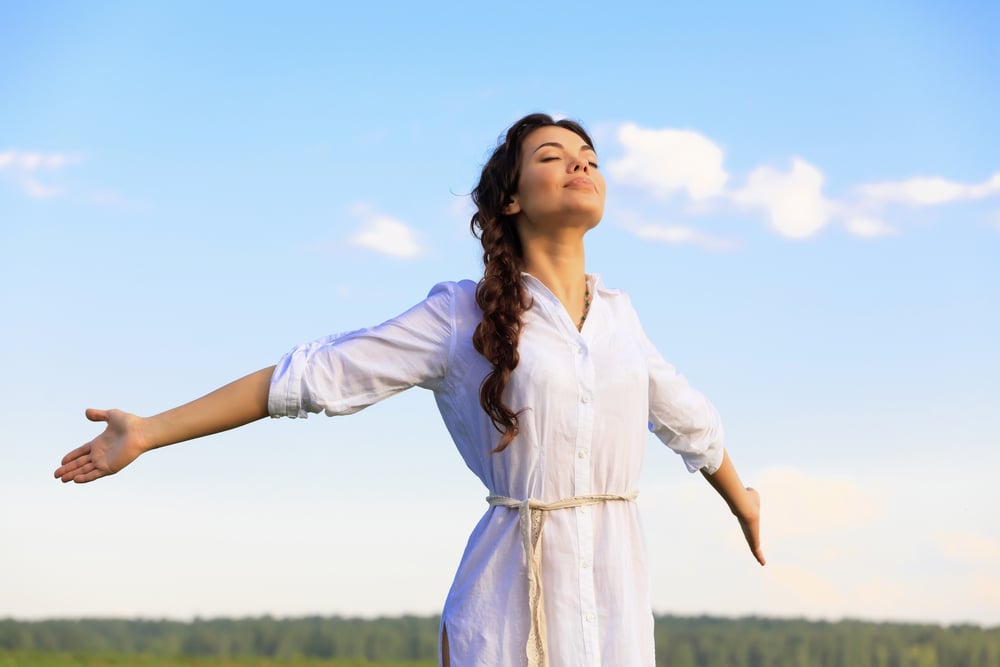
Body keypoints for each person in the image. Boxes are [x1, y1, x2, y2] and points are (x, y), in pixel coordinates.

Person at [55, 113, 764, 667]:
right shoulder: (459, 314)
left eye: (589, 157)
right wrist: (149, 430)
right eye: (551, 155)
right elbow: (311, 377)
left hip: (615, 602)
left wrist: (744, 501)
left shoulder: (619, 318)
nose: (580, 161)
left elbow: (691, 423)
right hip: (510, 606)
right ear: (510, 199)